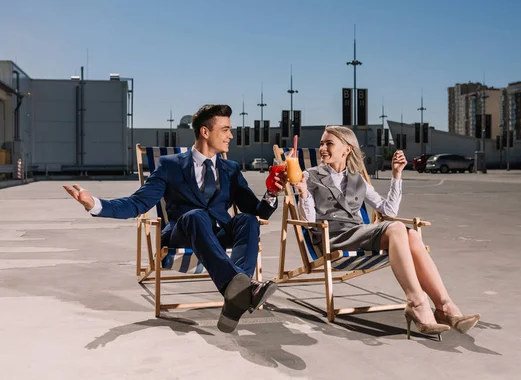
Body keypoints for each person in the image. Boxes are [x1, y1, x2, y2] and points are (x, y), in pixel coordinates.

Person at [64, 104, 287, 333]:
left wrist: (271, 193)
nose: (231, 135)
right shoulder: (170, 165)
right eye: (226, 129)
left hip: (218, 236)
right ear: (205, 132)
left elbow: (256, 211)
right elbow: (137, 203)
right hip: (183, 234)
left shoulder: (230, 169)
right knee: (196, 216)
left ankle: (237, 296)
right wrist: (96, 205)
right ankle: (244, 288)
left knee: (247, 221)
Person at [292, 125, 480, 340]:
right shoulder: (310, 176)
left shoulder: (357, 179)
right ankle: (417, 302)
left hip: (358, 234)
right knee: (399, 229)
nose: (322, 148)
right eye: (321, 144)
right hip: (333, 239)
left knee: (410, 234)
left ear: (346, 149)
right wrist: (303, 193)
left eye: (329, 143)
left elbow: (388, 211)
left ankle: (445, 307)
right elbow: (307, 223)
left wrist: (396, 175)